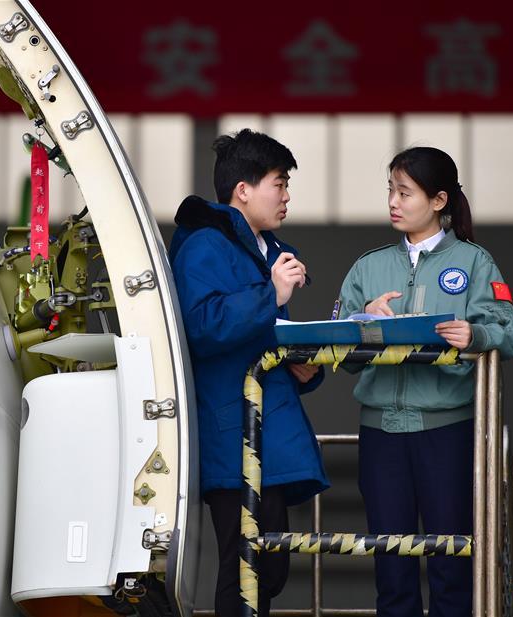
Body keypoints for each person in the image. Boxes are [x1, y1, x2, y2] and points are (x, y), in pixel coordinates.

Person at [336, 146, 513, 617]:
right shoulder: (368, 267)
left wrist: (476, 334)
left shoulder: (475, 262)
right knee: (391, 566)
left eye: (405, 193)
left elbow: (510, 333)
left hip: (447, 433)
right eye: (391, 191)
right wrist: (362, 321)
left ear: (439, 200)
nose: (393, 202)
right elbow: (338, 350)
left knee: (452, 565)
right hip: (380, 433)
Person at [169, 129, 329, 617]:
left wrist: (301, 366)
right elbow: (200, 326)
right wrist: (271, 295)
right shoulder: (204, 246)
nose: (286, 196)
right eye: (279, 184)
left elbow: (263, 335)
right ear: (243, 189)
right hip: (233, 431)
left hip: (267, 429)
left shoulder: (266, 250)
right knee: (247, 570)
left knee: (267, 567)